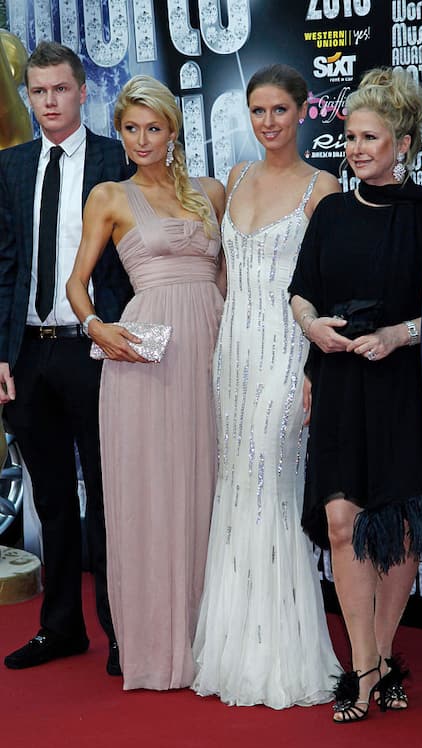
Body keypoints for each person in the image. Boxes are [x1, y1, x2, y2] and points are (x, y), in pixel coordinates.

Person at [289, 68, 422, 722]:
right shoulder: (331, 211)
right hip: (341, 378)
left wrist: (400, 335)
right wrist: (309, 325)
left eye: (369, 137)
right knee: (342, 521)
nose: (354, 148)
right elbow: (301, 290)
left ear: (403, 142)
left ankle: (381, 654)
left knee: (398, 530)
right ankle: (366, 664)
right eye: (349, 136)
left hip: (403, 382)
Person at [67, 75, 225, 690]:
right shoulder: (109, 195)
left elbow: (227, 279)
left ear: (173, 130)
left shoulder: (210, 193)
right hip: (143, 353)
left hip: (210, 348)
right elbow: (76, 282)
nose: (141, 139)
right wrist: (94, 327)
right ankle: (159, 648)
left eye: (152, 128)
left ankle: (215, 638)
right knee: (152, 493)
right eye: (130, 128)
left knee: (212, 484)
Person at [191, 64, 341, 709]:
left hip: (288, 355)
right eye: (258, 112)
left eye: (280, 110)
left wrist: (314, 370)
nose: (269, 123)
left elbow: (327, 287)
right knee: (235, 487)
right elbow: (225, 274)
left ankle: (283, 651)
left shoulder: (323, 188)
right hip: (233, 358)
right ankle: (232, 647)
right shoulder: (237, 179)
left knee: (273, 489)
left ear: (303, 112)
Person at [0, 41, 133, 675]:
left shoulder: (118, 158)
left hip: (98, 349)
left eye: (60, 89)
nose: (49, 101)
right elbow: (3, 267)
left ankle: (120, 631)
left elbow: (135, 263)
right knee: (49, 496)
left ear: (84, 93)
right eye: (38, 91)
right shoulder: (11, 166)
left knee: (110, 496)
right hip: (28, 351)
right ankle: (60, 629)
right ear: (27, 97)